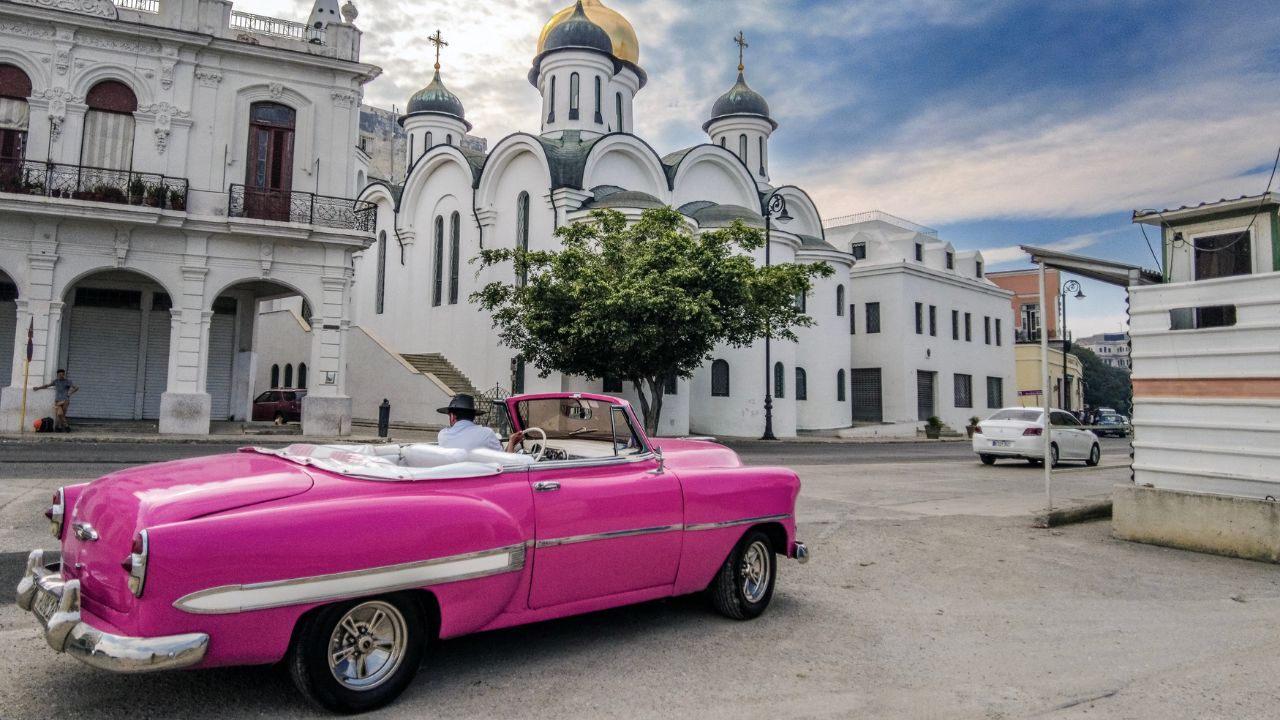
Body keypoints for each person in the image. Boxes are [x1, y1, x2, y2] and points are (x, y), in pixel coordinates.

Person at [436, 394, 524, 453]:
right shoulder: (486, 433)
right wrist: (512, 442)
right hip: (479, 480)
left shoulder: (443, 435)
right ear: (474, 417)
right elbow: (506, 461)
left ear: (453, 417)